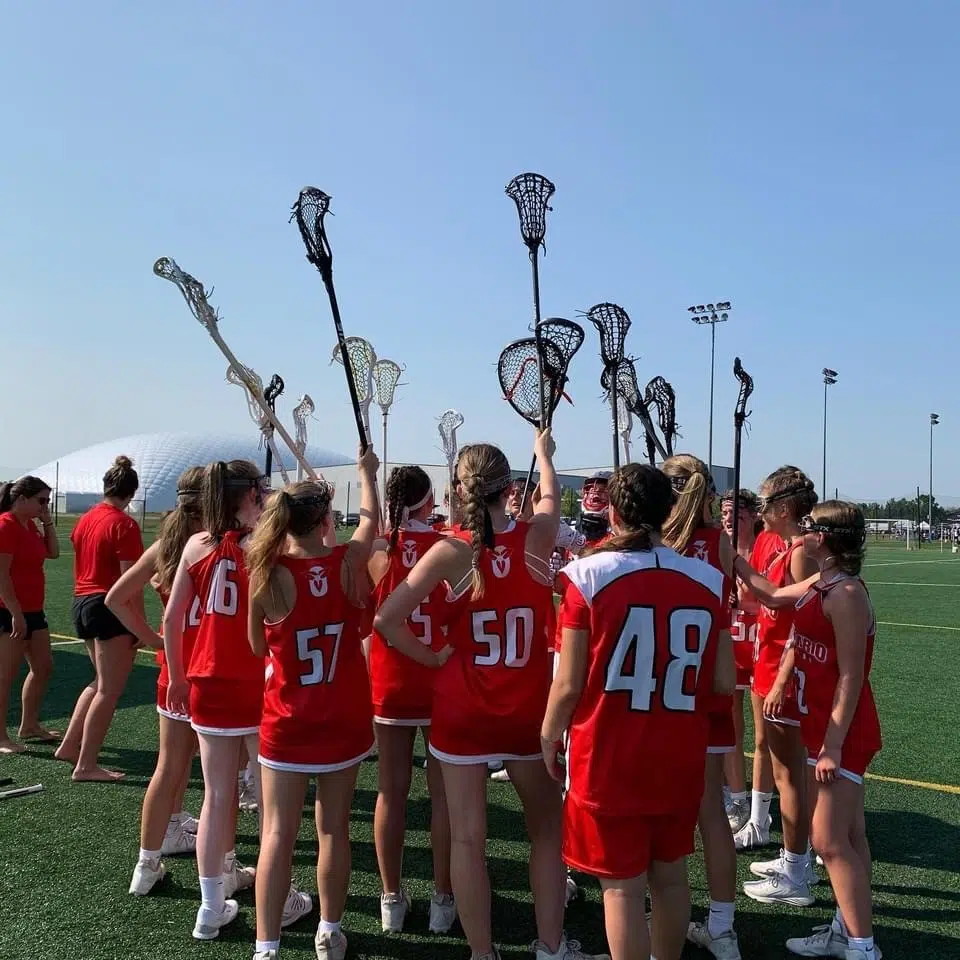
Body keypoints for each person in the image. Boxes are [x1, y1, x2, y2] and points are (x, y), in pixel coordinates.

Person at [375, 431, 607, 960]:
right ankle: (550, 945)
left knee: (466, 840)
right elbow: (550, 497)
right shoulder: (537, 536)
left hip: (462, 711)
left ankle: (482, 952)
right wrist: (546, 456)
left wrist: (432, 658)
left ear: (460, 490)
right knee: (546, 833)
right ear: (508, 489)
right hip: (526, 712)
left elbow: (387, 619)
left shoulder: (449, 550)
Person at [542, 463, 732, 960]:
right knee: (670, 878)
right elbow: (722, 680)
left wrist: (548, 736)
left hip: (609, 752)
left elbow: (568, 683)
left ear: (613, 511)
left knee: (622, 889)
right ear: (669, 512)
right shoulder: (708, 580)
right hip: (678, 749)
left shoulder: (587, 576)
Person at [164, 460, 309, 940]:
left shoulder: (195, 545)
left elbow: (171, 619)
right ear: (247, 495)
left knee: (216, 795)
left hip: (207, 679)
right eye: (261, 490)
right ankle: (279, 899)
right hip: (257, 682)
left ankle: (210, 908)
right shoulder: (266, 547)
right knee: (270, 803)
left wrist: (178, 677)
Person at [734, 502, 882, 960]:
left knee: (829, 840)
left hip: (843, 731)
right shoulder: (822, 583)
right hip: (822, 724)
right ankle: (847, 929)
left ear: (828, 538)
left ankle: (861, 946)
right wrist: (734, 557)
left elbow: (852, 676)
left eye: (810, 526)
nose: (802, 532)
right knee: (849, 835)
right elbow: (772, 596)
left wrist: (833, 746)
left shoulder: (846, 594)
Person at [247, 453, 379, 960]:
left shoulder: (266, 573)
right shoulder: (347, 562)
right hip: (342, 717)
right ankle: (329, 930)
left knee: (277, 834)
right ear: (325, 519)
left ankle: (267, 945)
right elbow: (370, 520)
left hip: (287, 719)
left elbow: (257, 648)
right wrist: (366, 474)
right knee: (334, 829)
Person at [105, 467, 204, 895]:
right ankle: (221, 870)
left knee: (170, 765)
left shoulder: (166, 546)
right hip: (212, 672)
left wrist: (154, 640)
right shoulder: (218, 547)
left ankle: (150, 860)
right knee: (220, 778)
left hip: (174, 669)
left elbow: (115, 598)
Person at [367, 465, 455, 935]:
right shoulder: (447, 547)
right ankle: (442, 897)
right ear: (428, 501)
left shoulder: (380, 550)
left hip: (391, 681)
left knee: (391, 791)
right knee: (443, 796)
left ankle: (391, 898)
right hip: (439, 677)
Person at [659, 456, 740, 960]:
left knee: (660, 810)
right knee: (711, 813)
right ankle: (723, 927)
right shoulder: (721, 542)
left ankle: (657, 915)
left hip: (665, 692)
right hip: (711, 683)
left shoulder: (659, 545)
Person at [737, 467, 820, 907]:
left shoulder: (802, 551)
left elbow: (801, 619)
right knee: (781, 765)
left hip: (786, 674)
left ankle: (796, 869)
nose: (760, 510)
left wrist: (783, 678)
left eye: (766, 503)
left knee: (790, 773)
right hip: (769, 664)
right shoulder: (786, 546)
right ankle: (794, 857)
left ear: (784, 508)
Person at [56, 456, 143, 781]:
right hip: (108, 607)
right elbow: (130, 582)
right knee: (109, 690)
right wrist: (139, 625)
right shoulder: (123, 524)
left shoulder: (86, 519)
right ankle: (86, 765)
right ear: (131, 493)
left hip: (83, 602)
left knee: (99, 683)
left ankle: (70, 747)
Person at [0, 476, 59, 753]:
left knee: (43, 667)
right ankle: (1, 737)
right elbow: (2, 575)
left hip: (34, 610)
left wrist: (47, 521)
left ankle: (29, 725)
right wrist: (16, 613)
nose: (45, 505)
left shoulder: (31, 525)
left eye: (47, 501)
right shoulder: (6, 525)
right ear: (21, 499)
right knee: (5, 676)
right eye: (41, 500)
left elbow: (53, 553)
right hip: (9, 612)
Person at [719, 489, 762, 833]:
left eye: (737, 513)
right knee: (730, 725)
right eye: (724, 513)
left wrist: (747, 599)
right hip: (730, 645)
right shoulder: (719, 547)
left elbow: (778, 598)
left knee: (766, 734)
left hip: (761, 646)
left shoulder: (766, 547)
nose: (729, 519)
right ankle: (737, 797)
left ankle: (763, 805)